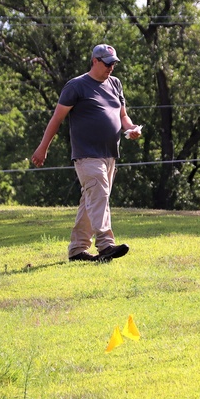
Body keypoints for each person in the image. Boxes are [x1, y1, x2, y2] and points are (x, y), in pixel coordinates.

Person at [31, 44, 143, 263]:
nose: (111, 67)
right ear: (94, 61)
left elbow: (123, 116)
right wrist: (43, 147)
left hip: (110, 154)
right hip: (86, 155)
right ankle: (106, 244)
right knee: (99, 194)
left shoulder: (115, 84)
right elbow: (57, 119)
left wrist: (131, 128)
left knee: (92, 200)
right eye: (107, 63)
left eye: (114, 63)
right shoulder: (77, 86)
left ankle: (77, 250)